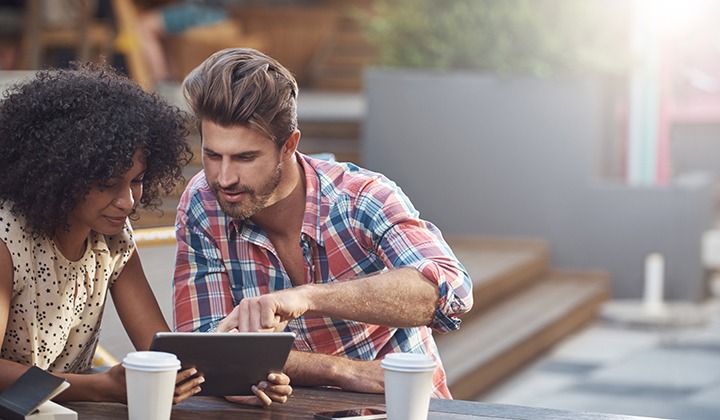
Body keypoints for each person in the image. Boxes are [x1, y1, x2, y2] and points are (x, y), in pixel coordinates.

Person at [173, 47, 474, 398]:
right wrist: (340, 370)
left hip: (396, 408)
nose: (223, 178)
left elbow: (448, 292)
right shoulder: (203, 204)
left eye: (244, 157)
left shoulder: (361, 198)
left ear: (289, 145)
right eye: (212, 155)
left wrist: (306, 298)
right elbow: (204, 345)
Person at [0, 63, 291, 406]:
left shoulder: (112, 239)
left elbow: (160, 351)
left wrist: (235, 381)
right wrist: (100, 387)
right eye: (108, 185)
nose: (127, 201)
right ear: (60, 174)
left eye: (136, 180)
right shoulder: (8, 239)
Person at [135, 1, 229, 83]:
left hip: (206, 10)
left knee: (145, 27)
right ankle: (167, 75)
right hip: (210, 8)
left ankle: (162, 81)